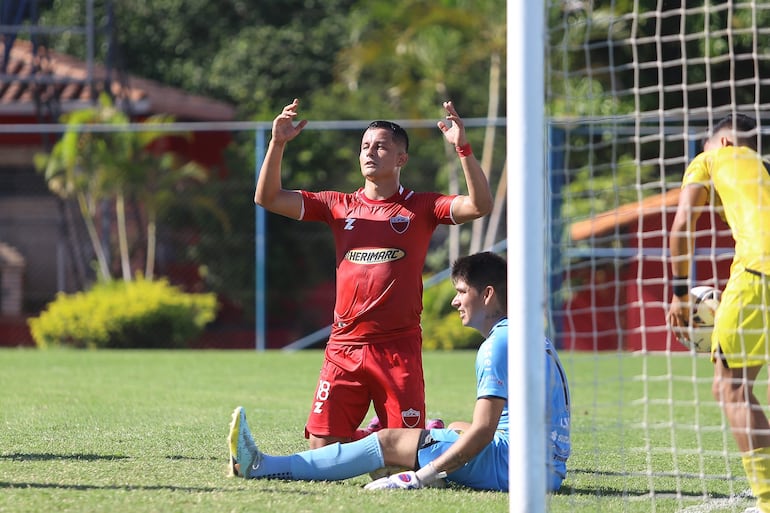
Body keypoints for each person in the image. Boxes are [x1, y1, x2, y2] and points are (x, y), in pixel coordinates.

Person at [254, 98, 493, 449]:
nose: (370, 152)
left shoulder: (422, 206)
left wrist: (464, 148)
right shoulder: (338, 205)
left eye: (381, 146)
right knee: (322, 451)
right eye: (365, 146)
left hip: (397, 348)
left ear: (401, 159)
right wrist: (277, 144)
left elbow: (479, 205)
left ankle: (409, 433)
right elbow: (268, 197)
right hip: (344, 345)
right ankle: (371, 434)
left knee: (396, 461)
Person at [227, 251, 572, 492]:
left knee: (389, 439)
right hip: (547, 471)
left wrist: (421, 477)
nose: (455, 301)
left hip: (515, 469)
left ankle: (262, 466)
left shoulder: (496, 346)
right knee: (452, 428)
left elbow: (484, 431)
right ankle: (422, 447)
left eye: (462, 292)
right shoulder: (529, 333)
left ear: (488, 295)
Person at [667, 113, 770, 513]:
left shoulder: (710, 159)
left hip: (757, 272)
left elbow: (681, 226)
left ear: (723, 143)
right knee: (734, 386)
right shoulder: (762, 170)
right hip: (757, 277)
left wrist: (678, 292)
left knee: (731, 389)